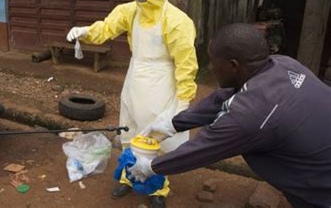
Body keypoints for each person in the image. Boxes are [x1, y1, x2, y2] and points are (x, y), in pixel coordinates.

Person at [129, 23, 331, 208]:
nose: (210, 68)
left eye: (213, 62)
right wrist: (173, 124)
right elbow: (224, 97)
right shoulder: (283, 64)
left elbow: (202, 150)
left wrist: (152, 167)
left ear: (234, 66)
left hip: (320, 187)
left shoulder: (250, 116)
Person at [66, 0, 198, 207]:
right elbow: (107, 28)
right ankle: (128, 176)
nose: (138, 1)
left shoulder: (177, 21)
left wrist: (184, 98)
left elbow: (186, 62)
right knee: (130, 131)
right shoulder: (130, 11)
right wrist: (85, 32)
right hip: (135, 76)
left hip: (161, 80)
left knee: (154, 137)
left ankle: (158, 188)